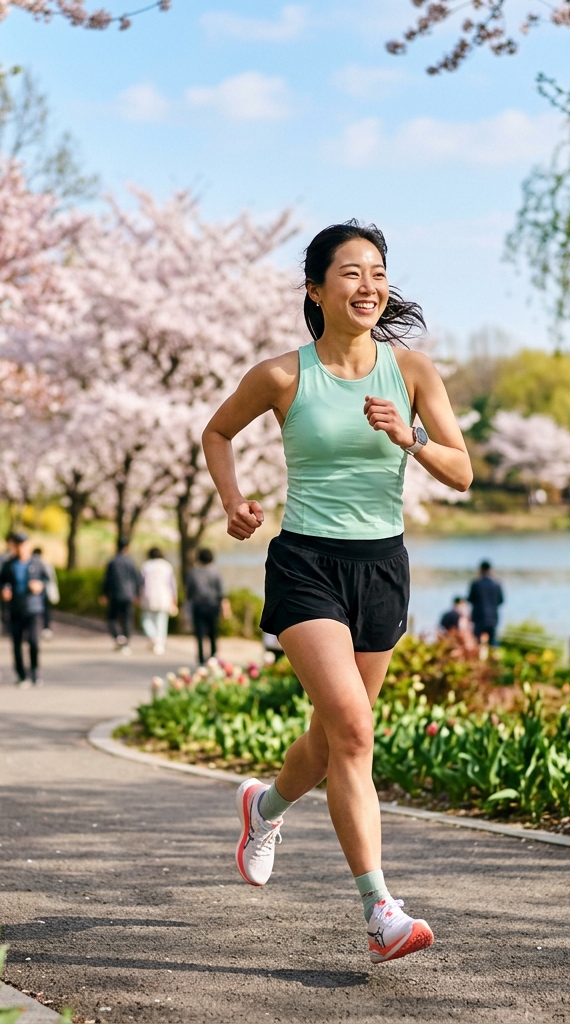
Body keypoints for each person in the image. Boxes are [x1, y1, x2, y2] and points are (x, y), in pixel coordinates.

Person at [202, 220, 472, 964]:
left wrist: (409, 439)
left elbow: (463, 471)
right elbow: (217, 432)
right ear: (316, 291)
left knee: (330, 740)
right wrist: (233, 502)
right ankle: (380, 909)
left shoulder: (412, 372)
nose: (368, 286)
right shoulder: (283, 375)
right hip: (306, 565)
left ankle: (266, 807)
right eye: (350, 273)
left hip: (381, 567)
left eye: (378, 272)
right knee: (354, 728)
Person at [0, 533, 50, 686]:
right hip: (15, 608)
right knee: (17, 643)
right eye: (18, 545)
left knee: (34, 641)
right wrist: (3, 590)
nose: (21, 549)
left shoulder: (37, 563)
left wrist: (40, 586)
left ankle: (35, 671)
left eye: (23, 545)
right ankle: (21, 675)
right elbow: (1, 582)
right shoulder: (8, 565)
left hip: (33, 608)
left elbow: (46, 580)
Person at [186, 549, 229, 665]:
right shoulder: (216, 573)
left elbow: (189, 592)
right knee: (213, 632)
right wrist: (225, 608)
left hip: (198, 605)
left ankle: (200, 658)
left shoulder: (193, 572)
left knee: (199, 633)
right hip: (213, 605)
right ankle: (213, 656)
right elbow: (222, 592)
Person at [101, 539, 141, 654]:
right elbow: (136, 579)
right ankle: (126, 640)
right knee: (127, 618)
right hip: (129, 594)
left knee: (112, 618)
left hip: (115, 594)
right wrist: (136, 594)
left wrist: (104, 594)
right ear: (127, 548)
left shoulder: (112, 562)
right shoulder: (130, 562)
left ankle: (118, 637)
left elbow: (107, 580)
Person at [141, 547, 177, 655]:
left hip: (149, 596)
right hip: (164, 596)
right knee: (161, 621)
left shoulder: (146, 566)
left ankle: (153, 638)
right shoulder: (167, 566)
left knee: (146, 620)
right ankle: (159, 642)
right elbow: (172, 584)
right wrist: (174, 598)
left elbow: (141, 582)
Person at [468, 561, 504, 645]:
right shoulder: (497, 584)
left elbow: (470, 599)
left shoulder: (476, 583)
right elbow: (501, 601)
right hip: (493, 617)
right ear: (490, 570)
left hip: (479, 617)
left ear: (480, 569)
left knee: (477, 641)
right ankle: (493, 656)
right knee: (492, 642)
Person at [31, 547, 59, 639]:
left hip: (39, 593)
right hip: (42, 593)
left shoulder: (34, 563)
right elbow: (50, 577)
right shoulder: (44, 563)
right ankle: (45, 628)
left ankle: (42, 629)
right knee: (44, 612)